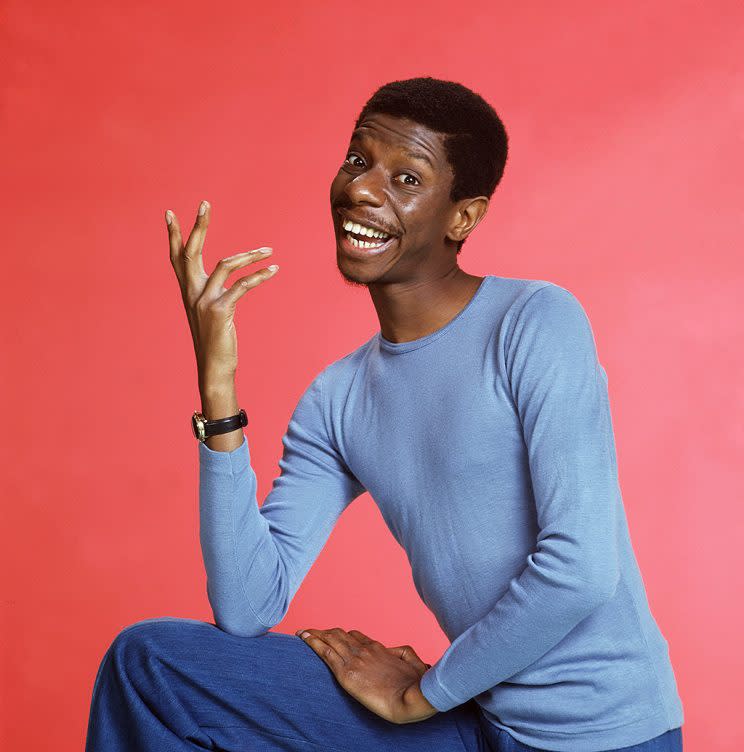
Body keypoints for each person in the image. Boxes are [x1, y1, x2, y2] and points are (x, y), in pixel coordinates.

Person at [85, 77, 684, 752]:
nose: (362, 190)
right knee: (153, 667)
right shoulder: (338, 398)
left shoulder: (535, 321)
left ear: (463, 217)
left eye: (406, 177)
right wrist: (217, 388)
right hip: (477, 721)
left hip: (605, 738)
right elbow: (249, 606)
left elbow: (580, 569)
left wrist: (423, 693)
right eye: (357, 160)